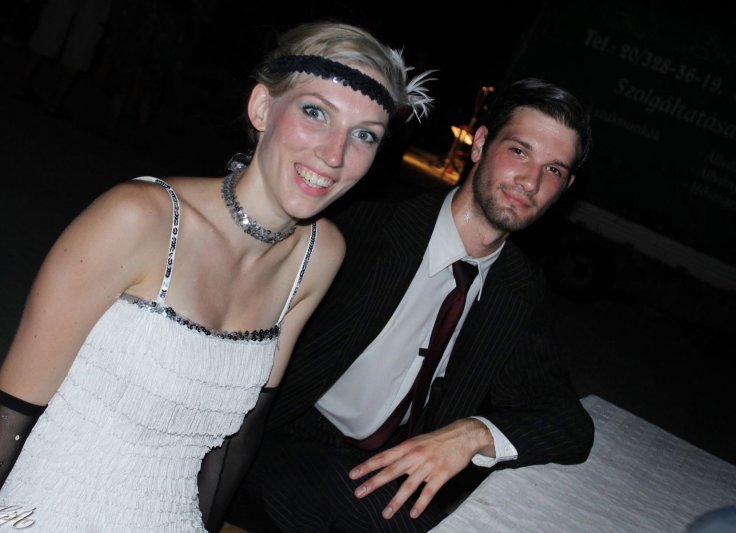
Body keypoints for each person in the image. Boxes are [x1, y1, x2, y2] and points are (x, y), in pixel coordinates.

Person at [0, 21, 434, 532]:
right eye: (315, 112)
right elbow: (4, 421)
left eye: (364, 135)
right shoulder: (139, 219)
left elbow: (238, 440)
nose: (334, 154)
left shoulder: (320, 254)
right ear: (262, 107)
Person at [229, 77, 596, 532]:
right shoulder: (363, 228)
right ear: (481, 143)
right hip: (287, 437)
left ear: (566, 187)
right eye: (518, 151)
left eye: (553, 169)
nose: (530, 181)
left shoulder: (517, 287)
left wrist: (472, 434)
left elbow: (568, 423)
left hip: (396, 467)